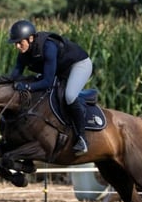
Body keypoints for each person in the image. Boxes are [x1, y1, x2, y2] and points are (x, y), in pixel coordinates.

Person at [6, 19, 93, 155]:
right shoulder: (24, 53)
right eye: (15, 43)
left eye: (19, 42)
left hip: (78, 65)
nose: (17, 46)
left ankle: (82, 138)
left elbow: (47, 82)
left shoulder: (48, 47)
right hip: (60, 69)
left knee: (69, 96)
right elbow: (15, 74)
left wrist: (26, 86)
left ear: (30, 38)